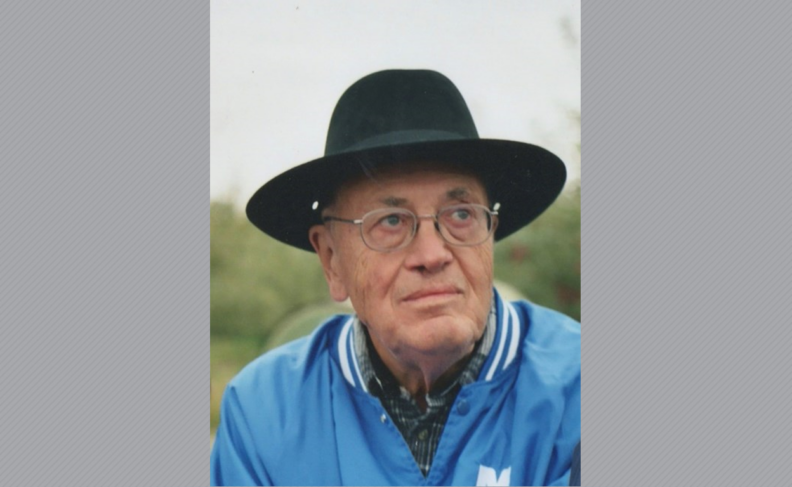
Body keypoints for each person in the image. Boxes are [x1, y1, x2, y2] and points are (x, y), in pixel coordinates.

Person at [211, 69, 580, 486]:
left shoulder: (578, 390)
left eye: (461, 214)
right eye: (390, 221)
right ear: (332, 260)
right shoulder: (265, 413)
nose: (432, 254)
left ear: (490, 232)